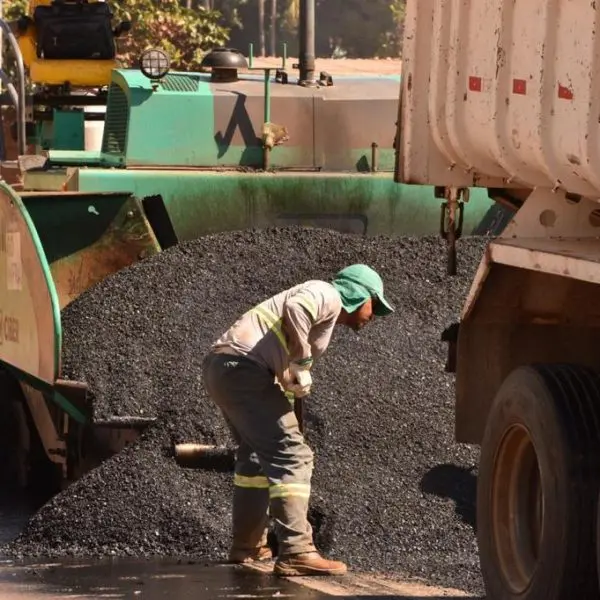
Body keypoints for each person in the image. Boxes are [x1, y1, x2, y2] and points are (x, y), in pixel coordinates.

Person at [202, 264, 394, 577]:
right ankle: (297, 550)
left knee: (254, 458)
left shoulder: (326, 314)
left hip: (226, 369)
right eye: (375, 304)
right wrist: (302, 362)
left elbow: (282, 363)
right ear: (360, 294)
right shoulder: (327, 293)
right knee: (293, 454)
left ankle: (247, 546)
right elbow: (297, 308)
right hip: (241, 369)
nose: (374, 316)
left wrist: (292, 381)